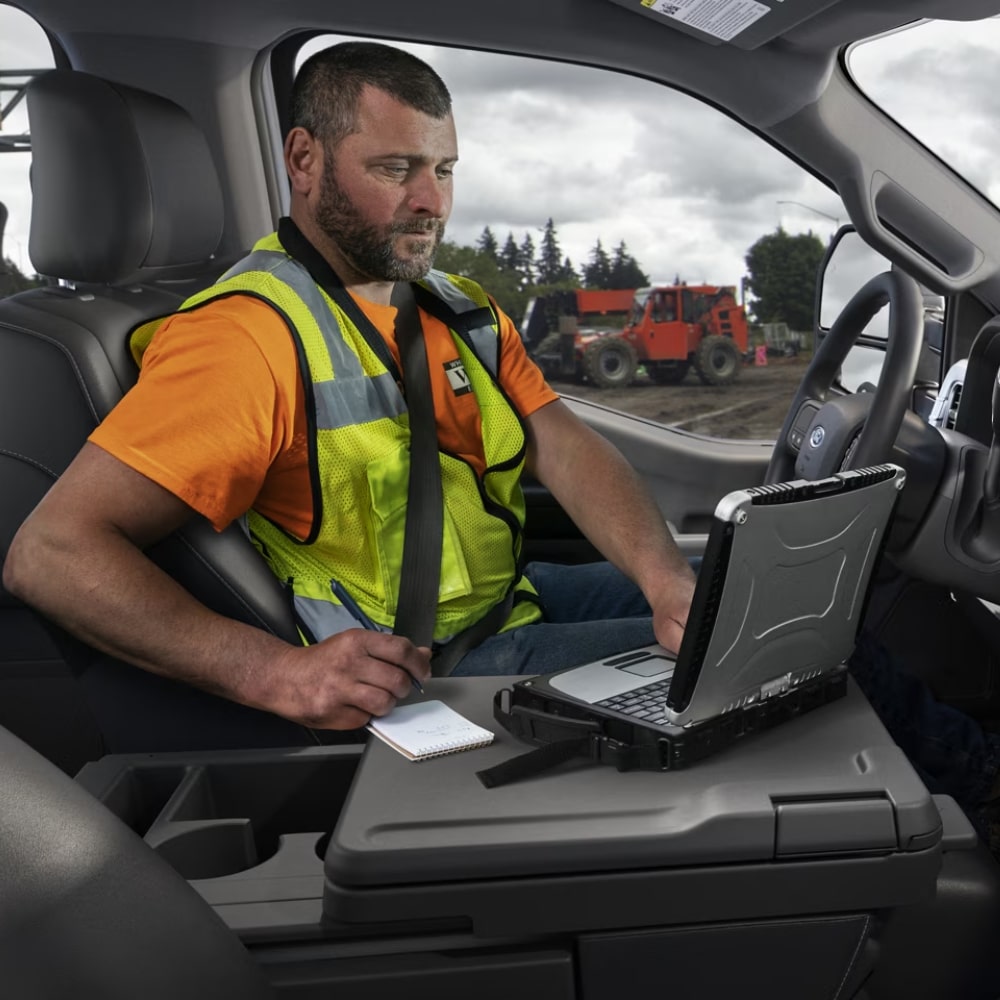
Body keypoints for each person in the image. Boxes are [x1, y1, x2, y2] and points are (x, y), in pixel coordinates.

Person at [2, 41, 695, 737]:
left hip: (508, 603)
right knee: (726, 663)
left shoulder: (462, 311)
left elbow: (566, 448)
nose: (431, 202)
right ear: (304, 160)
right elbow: (52, 554)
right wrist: (272, 672)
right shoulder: (246, 335)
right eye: (395, 169)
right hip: (429, 677)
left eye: (444, 170)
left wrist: (663, 578)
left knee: (728, 601)